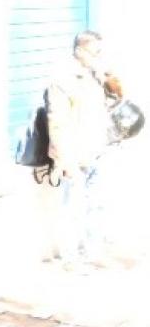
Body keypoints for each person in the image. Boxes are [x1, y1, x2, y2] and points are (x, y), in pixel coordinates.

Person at [46, 30, 116, 267]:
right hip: (74, 153)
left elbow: (118, 94)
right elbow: (56, 121)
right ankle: (71, 258)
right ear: (80, 51)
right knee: (73, 208)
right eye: (96, 52)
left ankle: (93, 252)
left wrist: (106, 74)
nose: (99, 56)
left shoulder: (96, 75)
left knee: (96, 204)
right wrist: (63, 159)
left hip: (97, 148)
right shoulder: (63, 79)